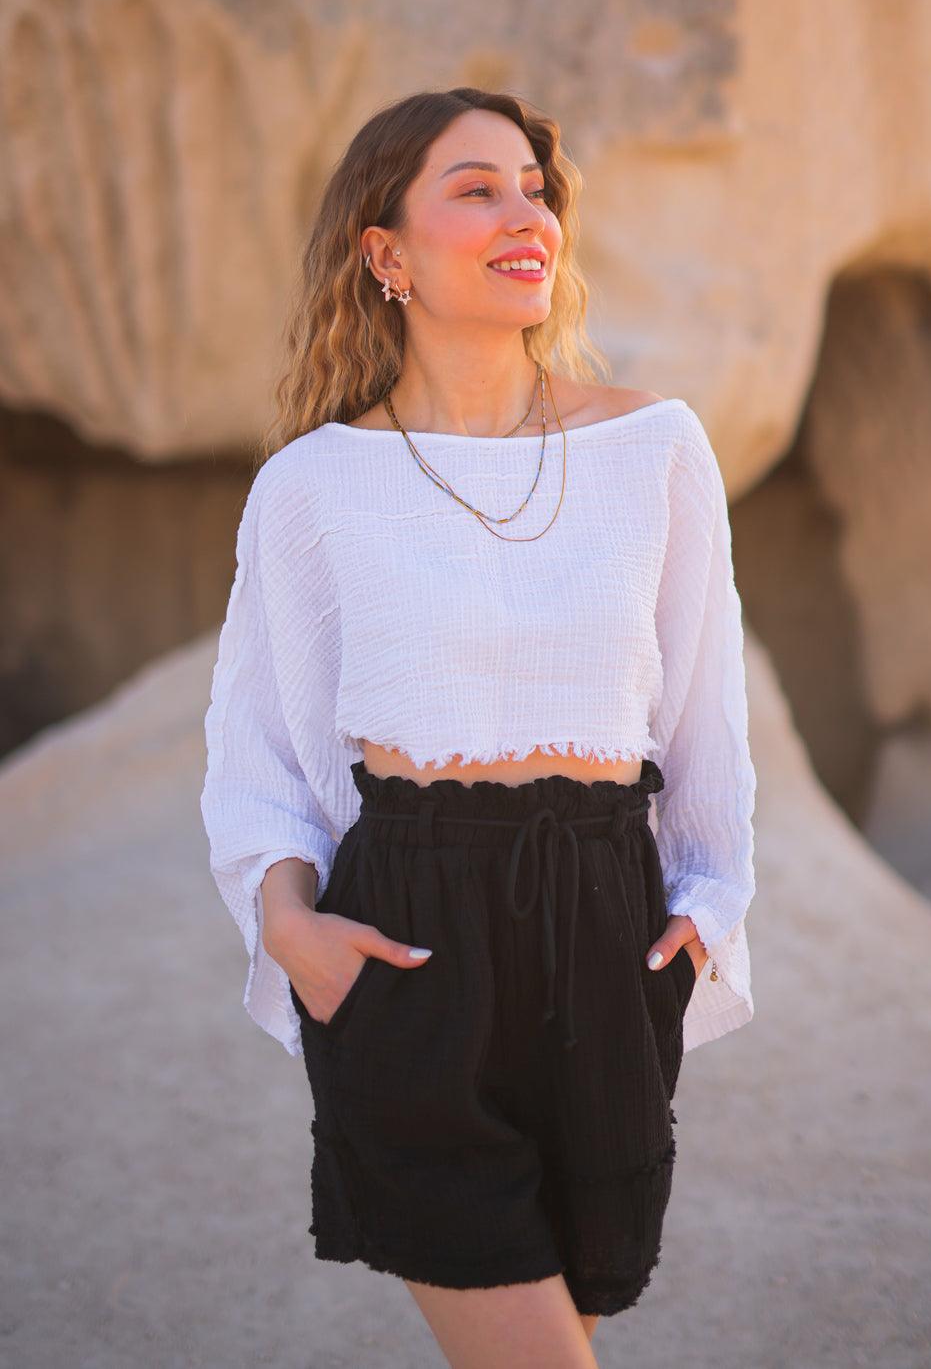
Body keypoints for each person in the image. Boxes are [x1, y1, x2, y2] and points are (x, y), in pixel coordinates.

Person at [200, 86, 757, 1368]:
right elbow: (262, 754)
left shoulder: (655, 448)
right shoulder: (313, 484)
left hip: (607, 931)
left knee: (565, 1330)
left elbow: (702, 714)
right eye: (476, 188)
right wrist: (289, 927)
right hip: (408, 942)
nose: (529, 214)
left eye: (535, 187)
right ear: (385, 253)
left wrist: (706, 907)